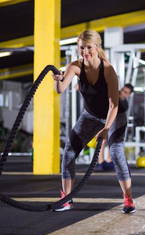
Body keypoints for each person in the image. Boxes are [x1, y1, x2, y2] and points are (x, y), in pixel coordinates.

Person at [52, 29, 135, 214]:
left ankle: (128, 198)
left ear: (97, 47)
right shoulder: (75, 66)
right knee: (69, 152)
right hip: (90, 115)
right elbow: (60, 89)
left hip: (114, 115)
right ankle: (66, 198)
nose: (85, 52)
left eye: (88, 47)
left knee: (115, 152)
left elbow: (113, 105)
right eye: (81, 48)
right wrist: (57, 80)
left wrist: (106, 129)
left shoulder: (108, 71)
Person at [95, 83, 134, 171]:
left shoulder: (125, 103)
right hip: (106, 121)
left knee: (112, 141)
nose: (123, 93)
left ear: (129, 94)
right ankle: (100, 162)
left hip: (116, 124)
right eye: (123, 90)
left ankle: (109, 160)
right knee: (103, 140)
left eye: (126, 92)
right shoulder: (114, 96)